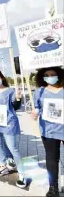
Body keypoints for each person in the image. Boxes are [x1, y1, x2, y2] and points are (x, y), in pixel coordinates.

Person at [31, 67, 64, 197]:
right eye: (46, 75)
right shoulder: (39, 92)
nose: (50, 77)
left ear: (59, 75)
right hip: (49, 131)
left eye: (53, 74)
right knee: (51, 160)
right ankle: (53, 188)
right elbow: (37, 108)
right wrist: (34, 113)